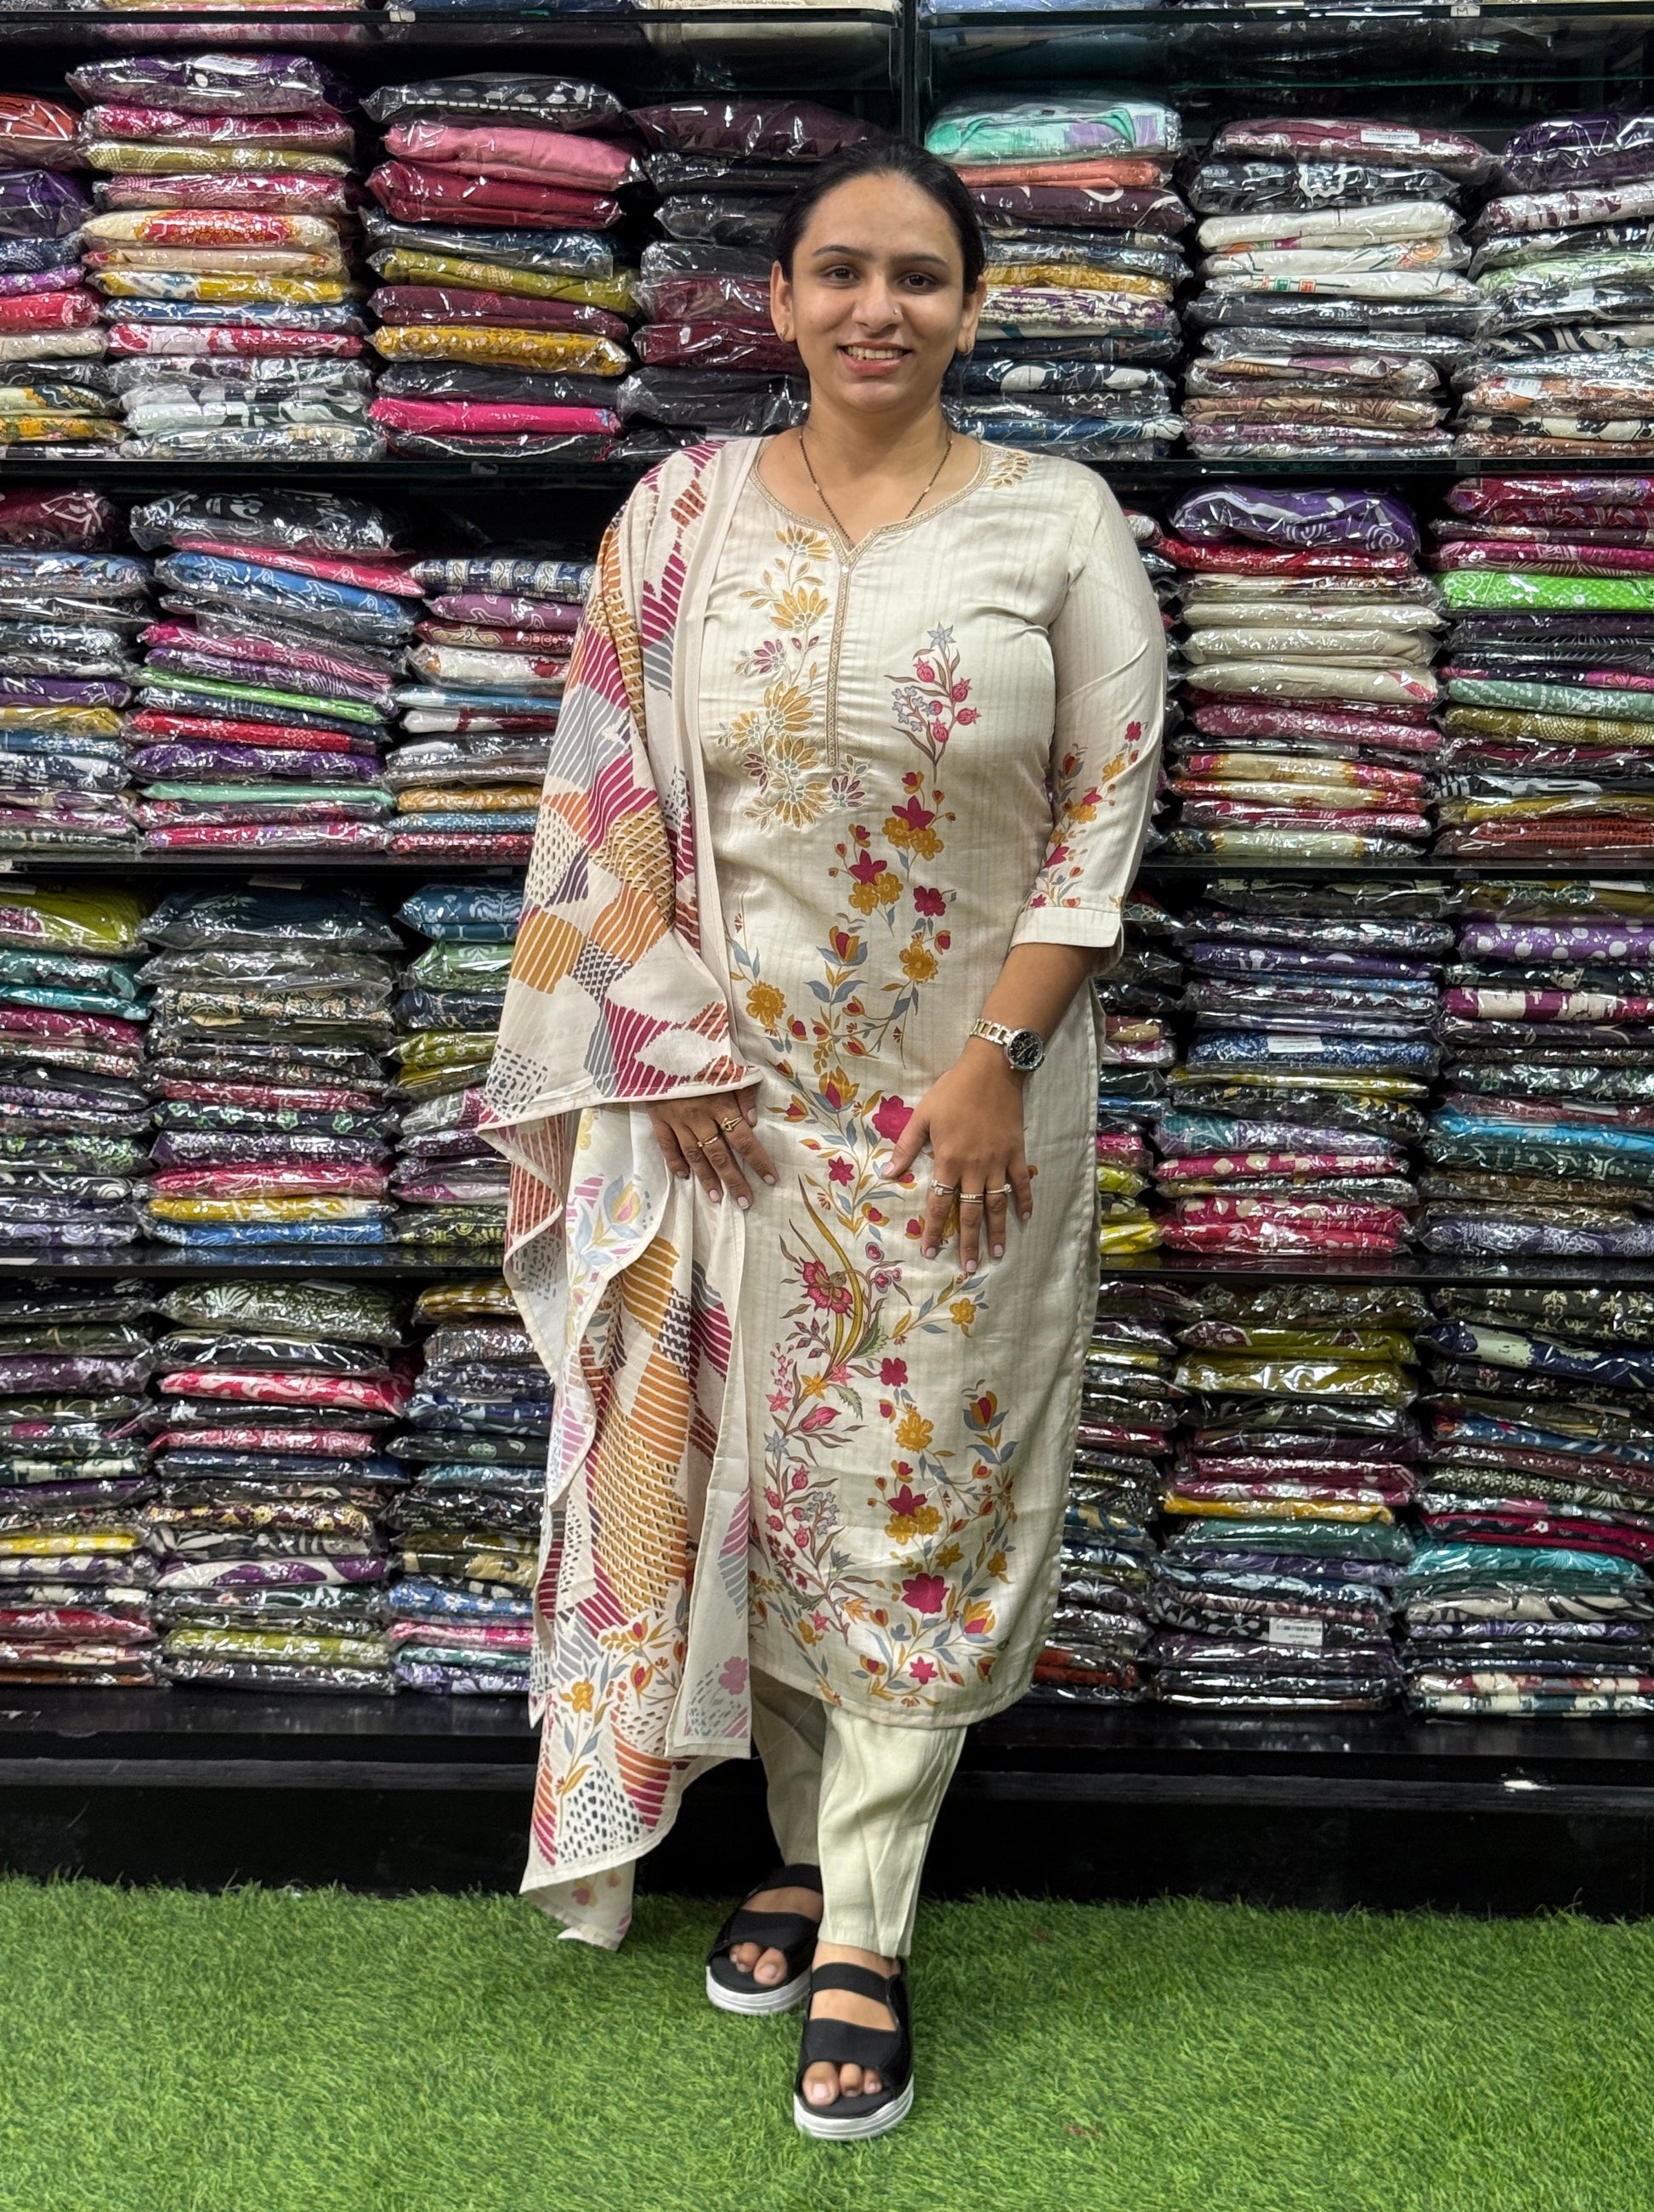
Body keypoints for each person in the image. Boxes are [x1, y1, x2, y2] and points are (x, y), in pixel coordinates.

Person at [481, 136, 1164, 2141]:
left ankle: (865, 1916)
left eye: (920, 276)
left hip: (969, 1123)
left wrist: (998, 1057)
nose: (880, 306)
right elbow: (599, 788)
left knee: (917, 1492)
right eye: (841, 271)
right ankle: (793, 1841)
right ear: (778, 302)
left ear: (972, 307)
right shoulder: (680, 513)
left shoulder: (1056, 520)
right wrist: (663, 1045)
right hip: (727, 1115)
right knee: (761, 1486)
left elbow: (1102, 811)